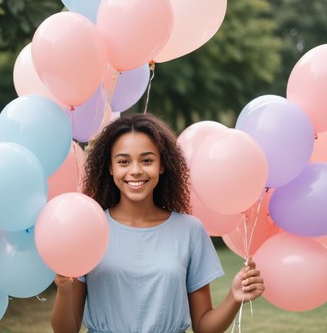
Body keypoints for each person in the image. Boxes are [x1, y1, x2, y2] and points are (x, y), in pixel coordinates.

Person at [51, 113, 265, 333]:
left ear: (162, 165)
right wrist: (65, 291)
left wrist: (233, 297)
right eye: (123, 161)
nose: (135, 170)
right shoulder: (89, 229)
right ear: (110, 168)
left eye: (147, 160)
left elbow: (203, 326)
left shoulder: (189, 231)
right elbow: (65, 330)